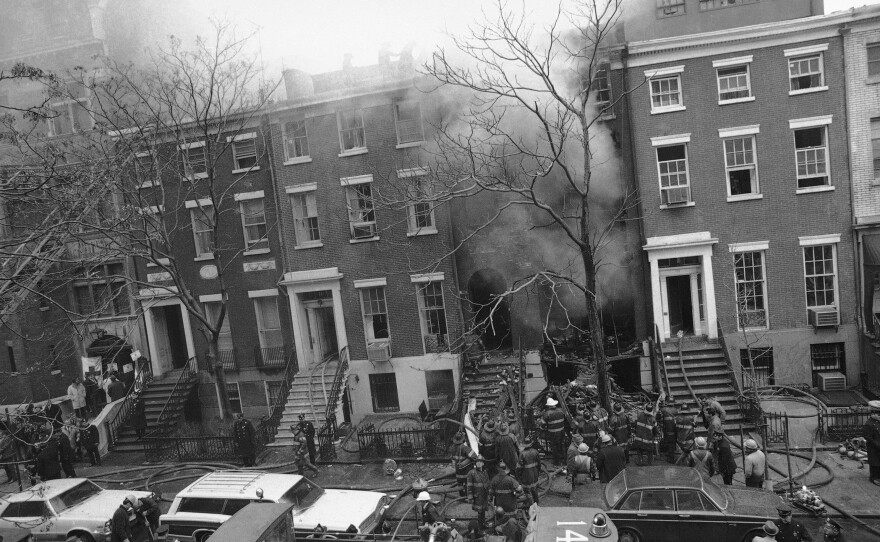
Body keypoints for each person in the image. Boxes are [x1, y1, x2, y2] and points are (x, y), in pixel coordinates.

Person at [450, 431, 478, 496]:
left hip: (458, 469)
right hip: (466, 470)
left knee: (459, 482)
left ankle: (461, 494)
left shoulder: (453, 448)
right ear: (463, 439)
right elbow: (475, 457)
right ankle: (467, 495)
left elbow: (452, 458)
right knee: (468, 482)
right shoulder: (465, 448)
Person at [466, 456, 491, 528]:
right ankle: (480, 526)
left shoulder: (485, 472)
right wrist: (470, 497)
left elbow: (488, 483)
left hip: (484, 495)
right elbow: (469, 486)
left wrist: (489, 494)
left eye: (480, 462)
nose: (479, 463)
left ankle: (483, 524)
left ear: (483, 463)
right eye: (477, 462)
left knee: (483, 510)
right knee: (480, 511)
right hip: (477, 496)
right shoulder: (471, 473)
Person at [541, 397, 566, 466]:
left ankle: (556, 462)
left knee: (554, 447)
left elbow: (542, 424)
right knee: (562, 445)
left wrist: (542, 428)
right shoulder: (561, 410)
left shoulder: (547, 413)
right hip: (561, 431)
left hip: (553, 433)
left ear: (549, 406)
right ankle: (564, 461)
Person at [518, 437, 541, 505]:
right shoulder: (535, 452)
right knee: (534, 490)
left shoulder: (522, 454)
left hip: (526, 475)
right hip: (535, 474)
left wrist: (519, 476)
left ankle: (532, 507)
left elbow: (519, 467)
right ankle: (537, 504)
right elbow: (539, 464)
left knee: (527, 491)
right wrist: (538, 472)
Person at [862, 400, 880, 486]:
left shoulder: (878, 422)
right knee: (874, 463)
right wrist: (877, 444)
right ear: (873, 414)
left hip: (878, 446)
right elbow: (868, 437)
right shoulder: (869, 424)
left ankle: (878, 476)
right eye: (878, 414)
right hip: (873, 447)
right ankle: (873, 478)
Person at [658, 398, 679, 463]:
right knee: (672, 443)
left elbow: (658, 419)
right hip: (674, 429)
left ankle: (671, 459)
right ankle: (671, 454)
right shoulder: (675, 410)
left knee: (669, 443)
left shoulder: (663, 410)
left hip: (666, 429)